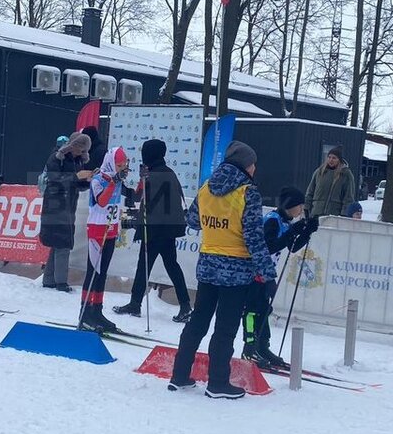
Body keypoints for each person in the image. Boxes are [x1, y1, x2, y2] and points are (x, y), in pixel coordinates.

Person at [169, 141, 276, 400]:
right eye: (253, 165)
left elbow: (193, 220)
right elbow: (253, 237)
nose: (254, 169)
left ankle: (179, 375)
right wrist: (267, 272)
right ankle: (217, 383)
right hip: (236, 270)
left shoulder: (206, 188)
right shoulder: (247, 193)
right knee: (225, 328)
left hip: (207, 265)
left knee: (198, 321)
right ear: (246, 165)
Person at [113, 139, 193, 323]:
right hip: (169, 228)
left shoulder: (152, 175)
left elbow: (141, 199)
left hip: (155, 228)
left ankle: (135, 303)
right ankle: (185, 305)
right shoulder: (168, 173)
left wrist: (120, 185)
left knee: (145, 265)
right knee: (171, 265)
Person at [241, 186, 316, 368]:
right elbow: (269, 247)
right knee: (252, 310)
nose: (301, 209)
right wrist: (292, 232)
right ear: (290, 205)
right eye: (299, 205)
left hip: (266, 274)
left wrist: (306, 232)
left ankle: (262, 346)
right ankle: (249, 348)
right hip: (255, 272)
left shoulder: (284, 222)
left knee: (265, 309)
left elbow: (292, 246)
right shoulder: (272, 221)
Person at [78, 146, 130, 332]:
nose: (122, 168)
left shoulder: (117, 180)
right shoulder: (98, 179)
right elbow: (102, 201)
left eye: (124, 164)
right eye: (119, 164)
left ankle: (97, 311)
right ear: (111, 163)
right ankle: (85, 313)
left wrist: (143, 182)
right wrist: (114, 182)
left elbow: (129, 198)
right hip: (97, 230)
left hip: (111, 230)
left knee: (103, 273)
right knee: (93, 272)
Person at [40, 132, 93, 292]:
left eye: (84, 151)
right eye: (79, 149)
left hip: (68, 205)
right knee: (62, 243)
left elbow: (74, 183)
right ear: (72, 145)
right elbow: (55, 178)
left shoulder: (77, 160)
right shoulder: (56, 157)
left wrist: (87, 180)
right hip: (55, 204)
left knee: (57, 242)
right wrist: (76, 177)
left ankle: (49, 279)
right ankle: (61, 282)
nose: (80, 153)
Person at [306, 146, 357, 218]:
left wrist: (344, 214)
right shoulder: (319, 172)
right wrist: (306, 207)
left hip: (334, 215)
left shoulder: (345, 174)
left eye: (334, 158)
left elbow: (348, 197)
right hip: (316, 213)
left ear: (339, 160)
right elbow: (310, 191)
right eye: (329, 157)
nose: (331, 160)